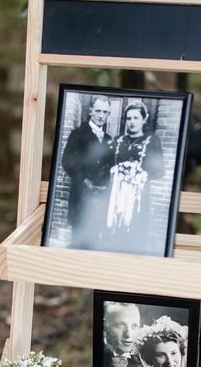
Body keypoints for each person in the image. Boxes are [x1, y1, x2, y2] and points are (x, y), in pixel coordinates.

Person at [106, 99, 165, 253]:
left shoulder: (152, 141)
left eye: (136, 118)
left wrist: (139, 173)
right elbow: (106, 166)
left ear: (144, 119)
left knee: (134, 232)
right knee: (114, 230)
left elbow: (159, 171)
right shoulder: (119, 140)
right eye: (129, 118)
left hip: (139, 197)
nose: (132, 122)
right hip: (115, 195)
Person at [60, 94, 114, 248]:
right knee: (78, 239)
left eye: (105, 112)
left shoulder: (109, 139)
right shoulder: (77, 134)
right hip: (81, 194)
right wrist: (84, 181)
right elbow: (67, 162)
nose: (101, 115)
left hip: (100, 198)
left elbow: (110, 167)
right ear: (91, 111)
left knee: (95, 238)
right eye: (98, 111)